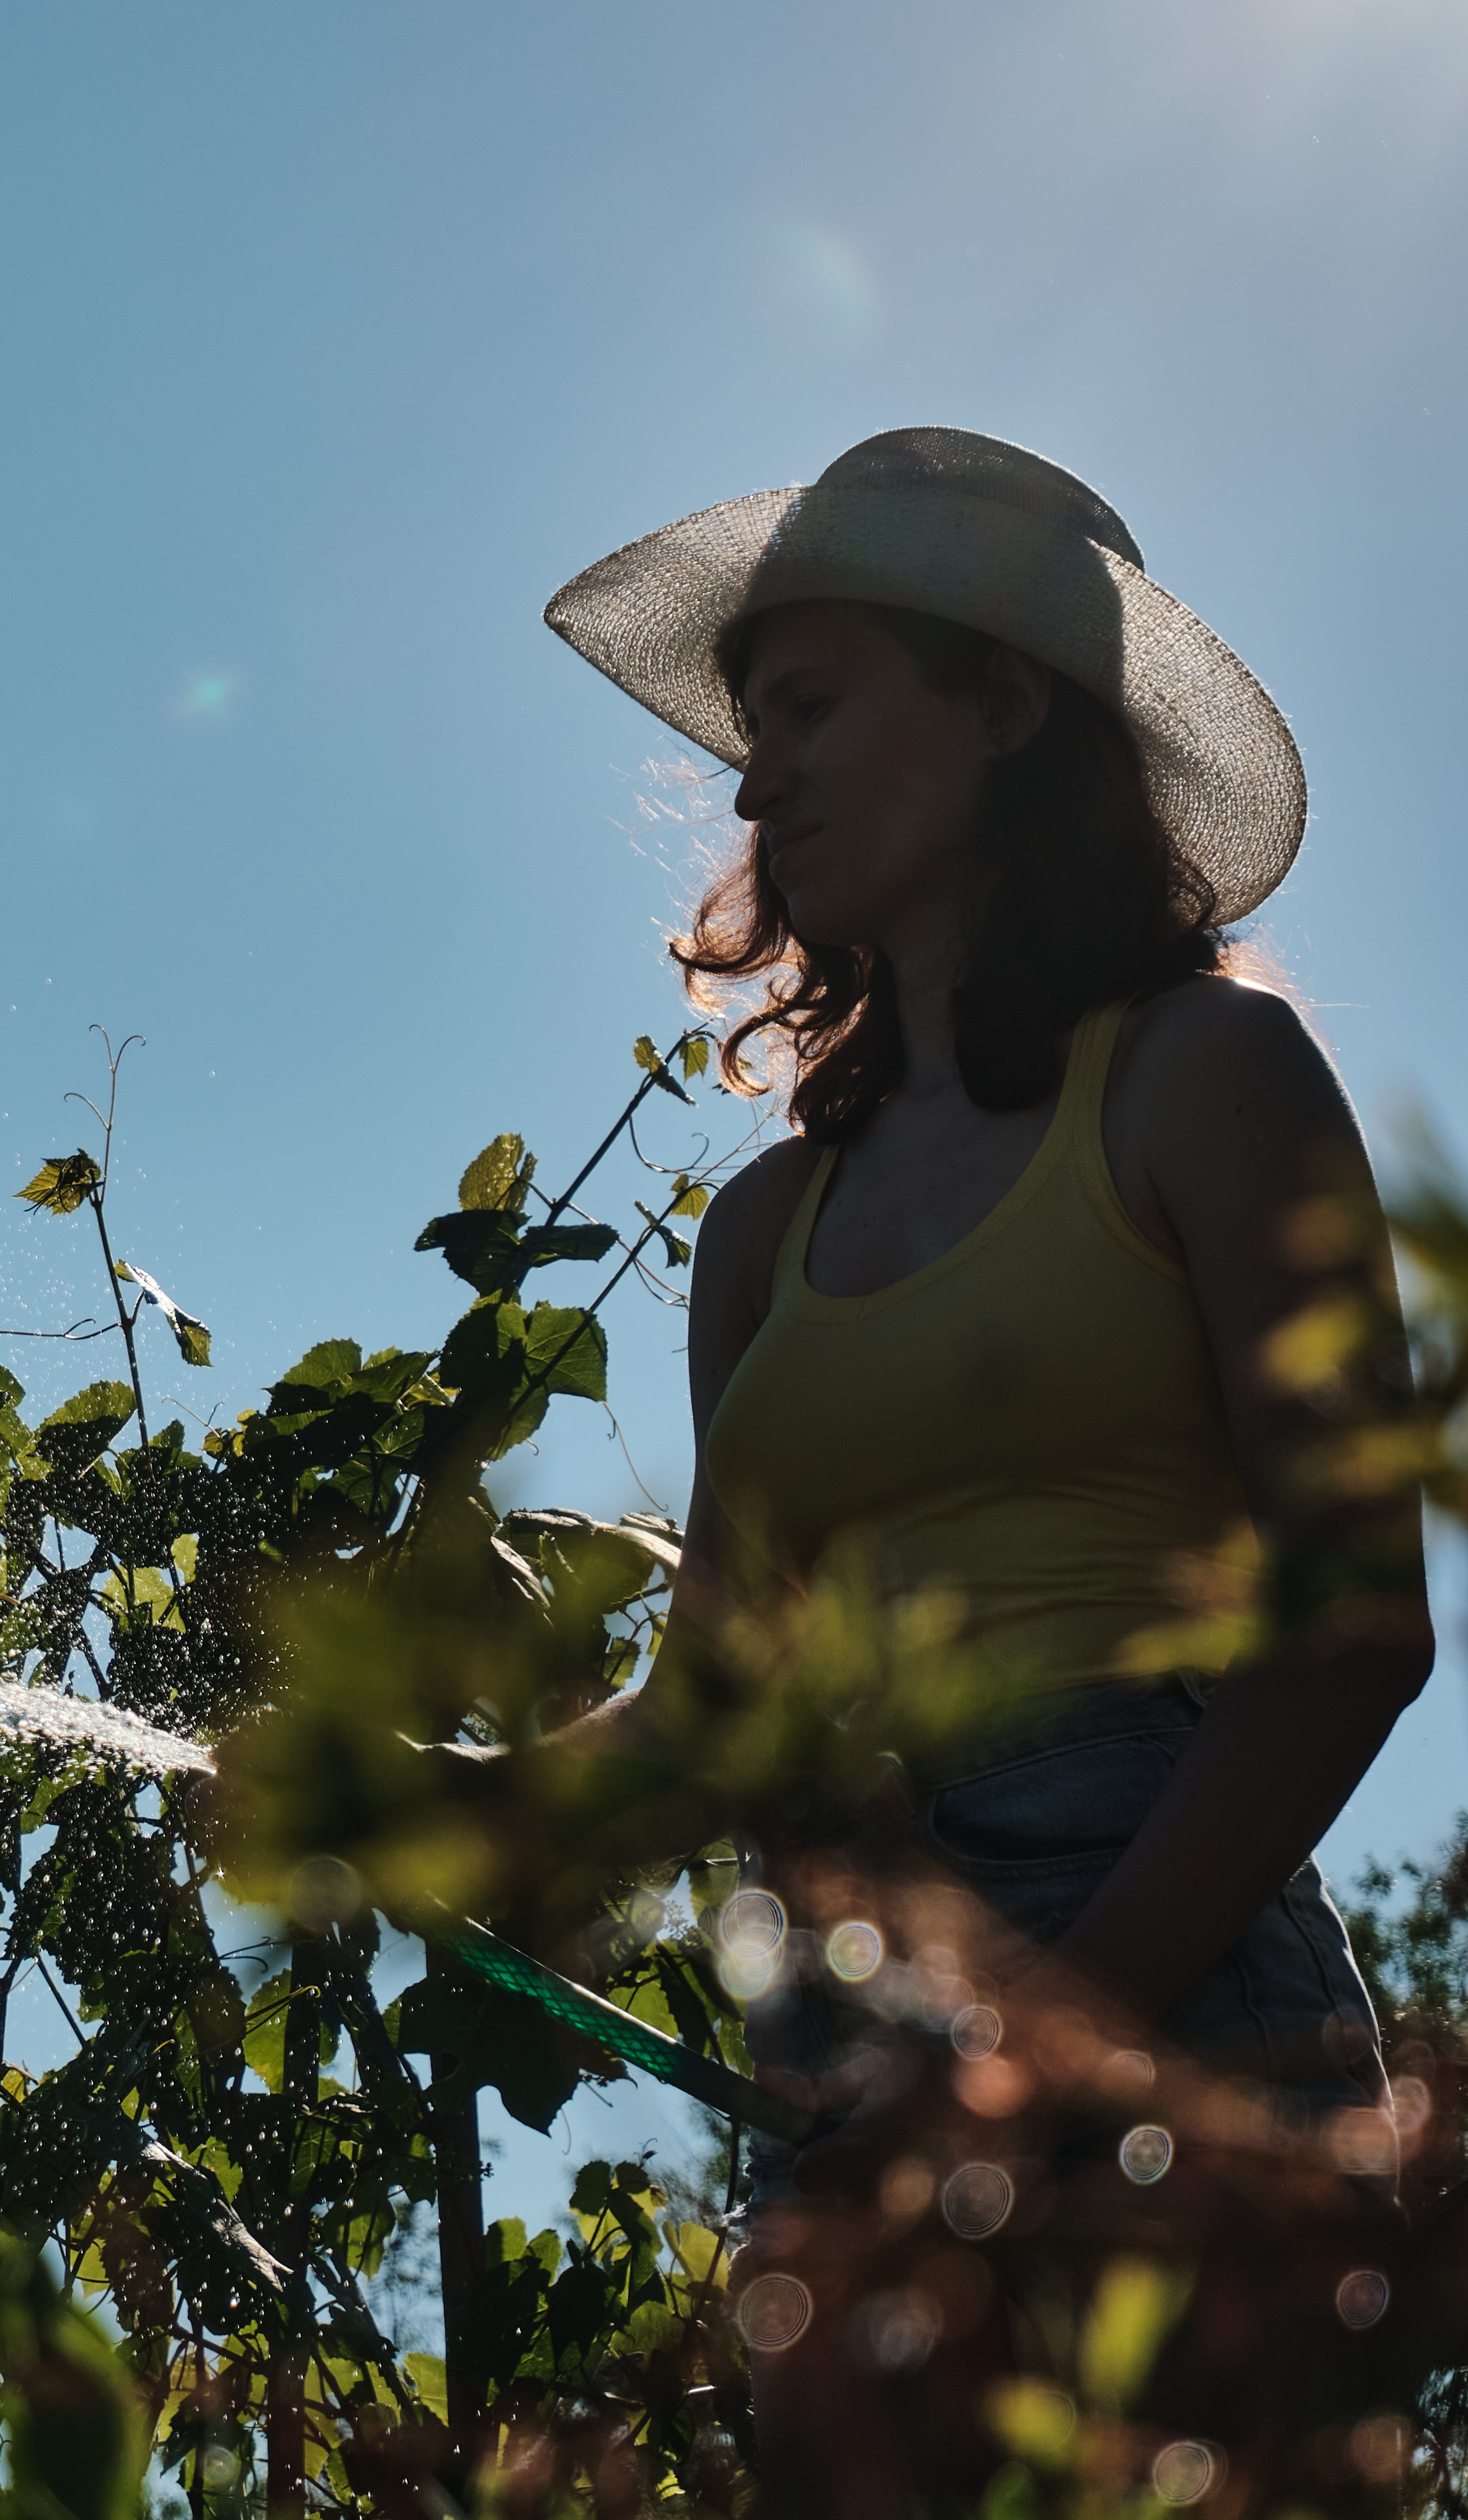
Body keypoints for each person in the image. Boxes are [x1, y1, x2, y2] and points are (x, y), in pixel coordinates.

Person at [538, 429, 1438, 2207]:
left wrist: (1042, 2037)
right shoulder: (765, 1232)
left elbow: (1354, 1628)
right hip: (853, 2029)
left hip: (1174, 1985)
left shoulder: (1207, 1078)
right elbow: (719, 1705)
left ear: (1004, 710)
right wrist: (417, 1806)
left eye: (806, 710)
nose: (751, 788)